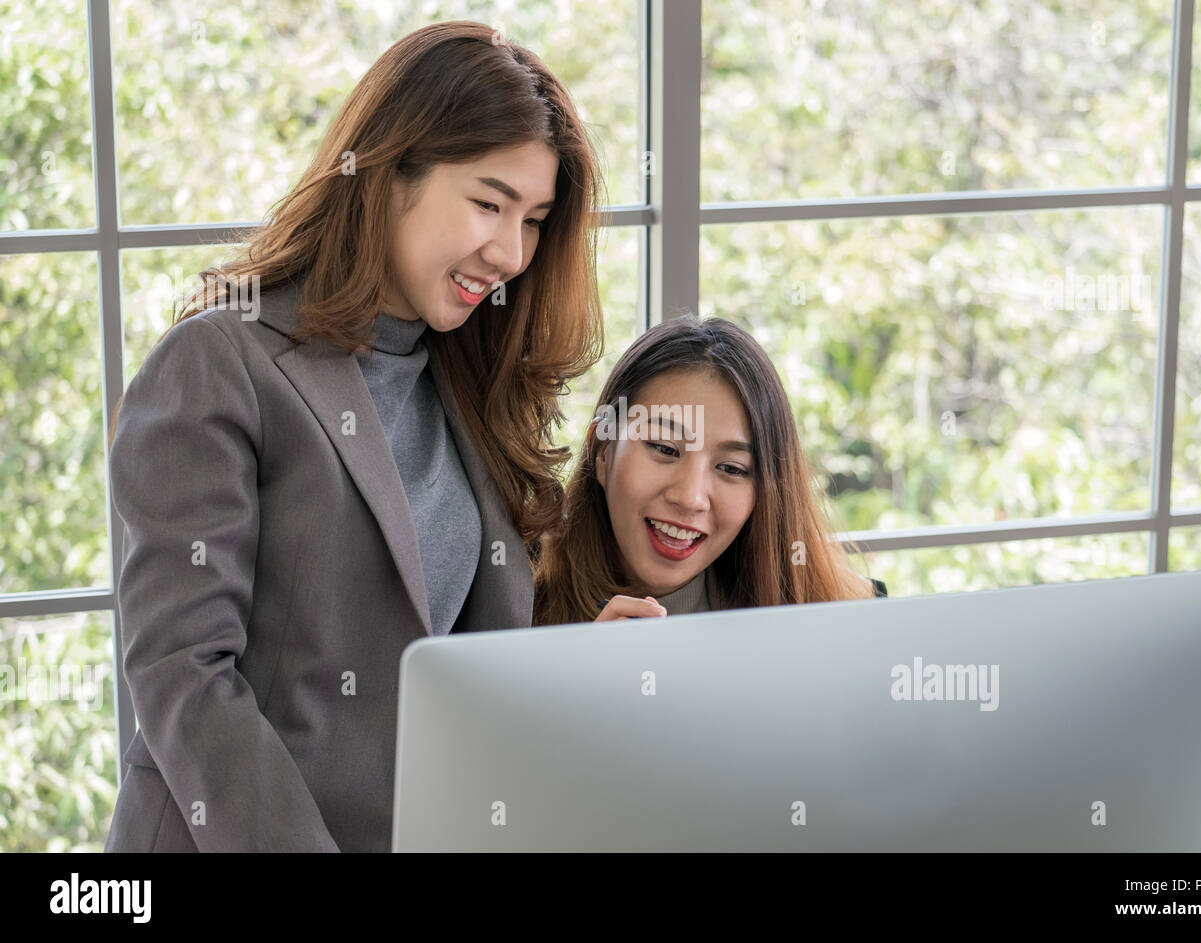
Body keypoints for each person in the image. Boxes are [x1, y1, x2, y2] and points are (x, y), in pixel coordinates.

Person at [103, 22, 606, 852]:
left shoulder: (473, 386)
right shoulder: (221, 362)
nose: (510, 252)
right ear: (387, 171)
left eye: (535, 219)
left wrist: (590, 670)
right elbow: (183, 676)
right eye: (487, 202)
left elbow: (455, 667)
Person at [533, 315, 885, 626]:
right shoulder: (513, 605)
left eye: (732, 468)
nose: (690, 498)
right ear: (602, 451)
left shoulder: (845, 618)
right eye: (664, 448)